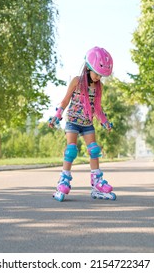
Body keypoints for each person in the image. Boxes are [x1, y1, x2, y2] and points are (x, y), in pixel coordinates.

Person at [48, 46, 116, 202]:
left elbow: (97, 109)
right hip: (72, 121)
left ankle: (97, 182)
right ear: (89, 68)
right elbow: (65, 101)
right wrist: (57, 116)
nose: (99, 77)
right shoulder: (76, 81)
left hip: (87, 122)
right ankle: (63, 180)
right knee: (71, 150)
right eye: (97, 73)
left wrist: (105, 122)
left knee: (94, 149)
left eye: (101, 75)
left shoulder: (99, 87)